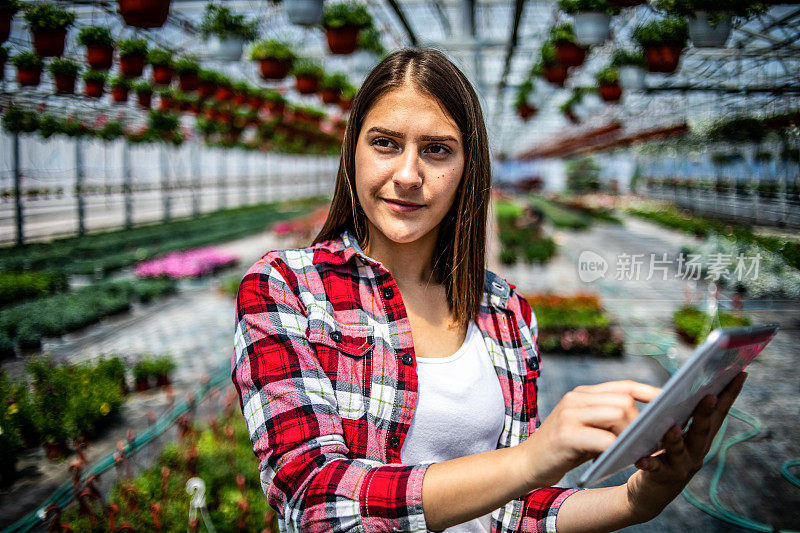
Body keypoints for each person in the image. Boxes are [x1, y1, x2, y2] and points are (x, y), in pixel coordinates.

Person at [231, 48, 746, 533]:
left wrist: (637, 500)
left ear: (467, 169)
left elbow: (518, 508)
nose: (408, 175)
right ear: (353, 152)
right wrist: (530, 459)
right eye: (385, 143)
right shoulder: (289, 288)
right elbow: (313, 499)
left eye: (437, 151)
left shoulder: (506, 313)